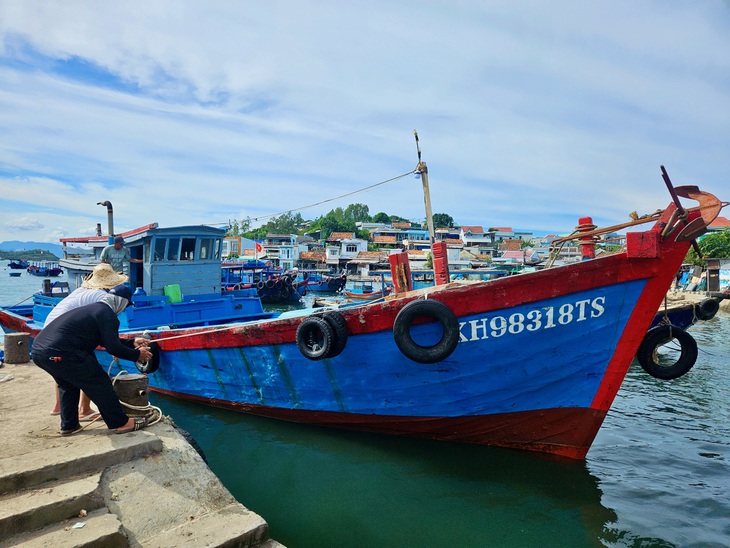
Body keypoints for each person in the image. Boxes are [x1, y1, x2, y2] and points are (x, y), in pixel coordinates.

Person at [32, 284, 154, 435]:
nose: (124, 310)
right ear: (122, 302)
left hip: (39, 351)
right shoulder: (107, 314)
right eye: (126, 306)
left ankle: (69, 425)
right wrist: (137, 355)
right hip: (62, 352)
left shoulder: (95, 309)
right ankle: (121, 423)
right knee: (99, 382)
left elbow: (107, 341)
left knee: (68, 385)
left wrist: (132, 342)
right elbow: (113, 348)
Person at [47, 263, 129, 419]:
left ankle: (59, 407)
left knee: (62, 372)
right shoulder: (102, 297)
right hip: (67, 333)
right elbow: (106, 322)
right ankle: (85, 409)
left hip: (51, 329)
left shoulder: (82, 290)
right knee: (89, 368)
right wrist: (116, 346)